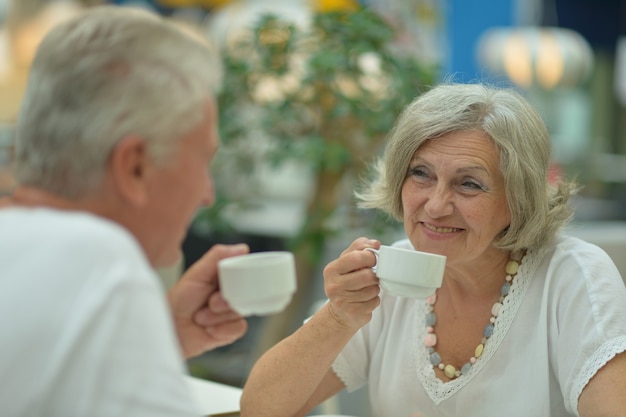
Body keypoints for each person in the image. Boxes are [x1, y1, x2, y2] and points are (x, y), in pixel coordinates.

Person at [239, 83, 626, 417]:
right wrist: (339, 317)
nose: (437, 205)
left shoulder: (574, 275)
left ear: (518, 201)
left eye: (469, 184)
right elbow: (260, 408)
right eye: (420, 174)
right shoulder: (392, 269)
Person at [0, 6, 250, 416]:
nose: (207, 194)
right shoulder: (102, 260)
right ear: (134, 166)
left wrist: (155, 336)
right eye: (204, 161)